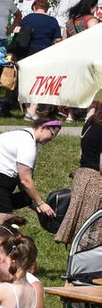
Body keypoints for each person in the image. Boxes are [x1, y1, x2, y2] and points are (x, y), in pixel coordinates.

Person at [0, 115, 61, 223]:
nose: (52, 139)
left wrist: (34, 203)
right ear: (43, 128)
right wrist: (41, 203)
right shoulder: (27, 142)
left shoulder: (26, 137)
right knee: (4, 226)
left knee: (22, 200)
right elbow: (25, 180)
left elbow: (22, 182)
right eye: (52, 134)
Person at [55, 106, 102, 250]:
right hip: (96, 180)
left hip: (81, 176)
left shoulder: (89, 124)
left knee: (81, 225)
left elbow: (80, 154)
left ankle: (78, 261)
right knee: (93, 227)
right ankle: (86, 265)